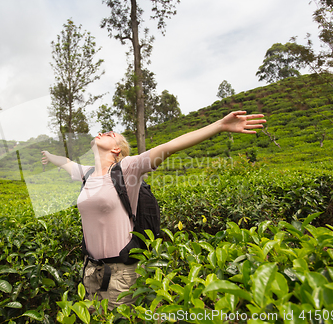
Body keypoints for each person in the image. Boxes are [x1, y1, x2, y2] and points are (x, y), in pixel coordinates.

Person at [41, 110, 266, 309]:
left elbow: (170, 146)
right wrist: (49, 157)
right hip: (91, 271)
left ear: (117, 149)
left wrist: (220, 125)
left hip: (121, 273)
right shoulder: (86, 173)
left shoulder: (127, 169)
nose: (104, 132)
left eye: (111, 134)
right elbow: (66, 162)